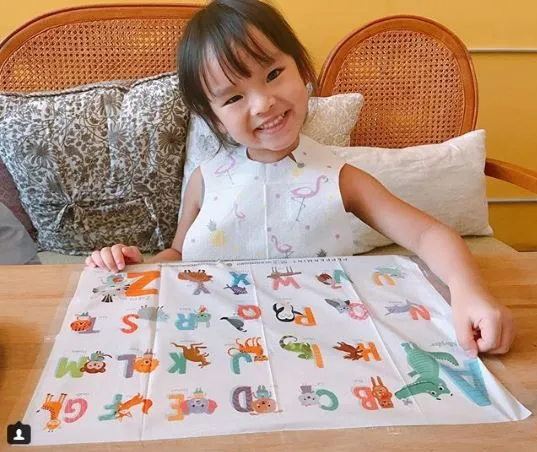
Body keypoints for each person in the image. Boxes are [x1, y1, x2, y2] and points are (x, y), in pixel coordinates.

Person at [85, 0, 513, 356]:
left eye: (273, 74)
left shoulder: (339, 176)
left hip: (323, 345)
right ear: (213, 117)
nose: (263, 103)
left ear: (301, 69)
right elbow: (179, 254)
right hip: (218, 345)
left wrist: (468, 288)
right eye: (234, 97)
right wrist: (138, 266)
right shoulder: (205, 178)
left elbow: (427, 234)